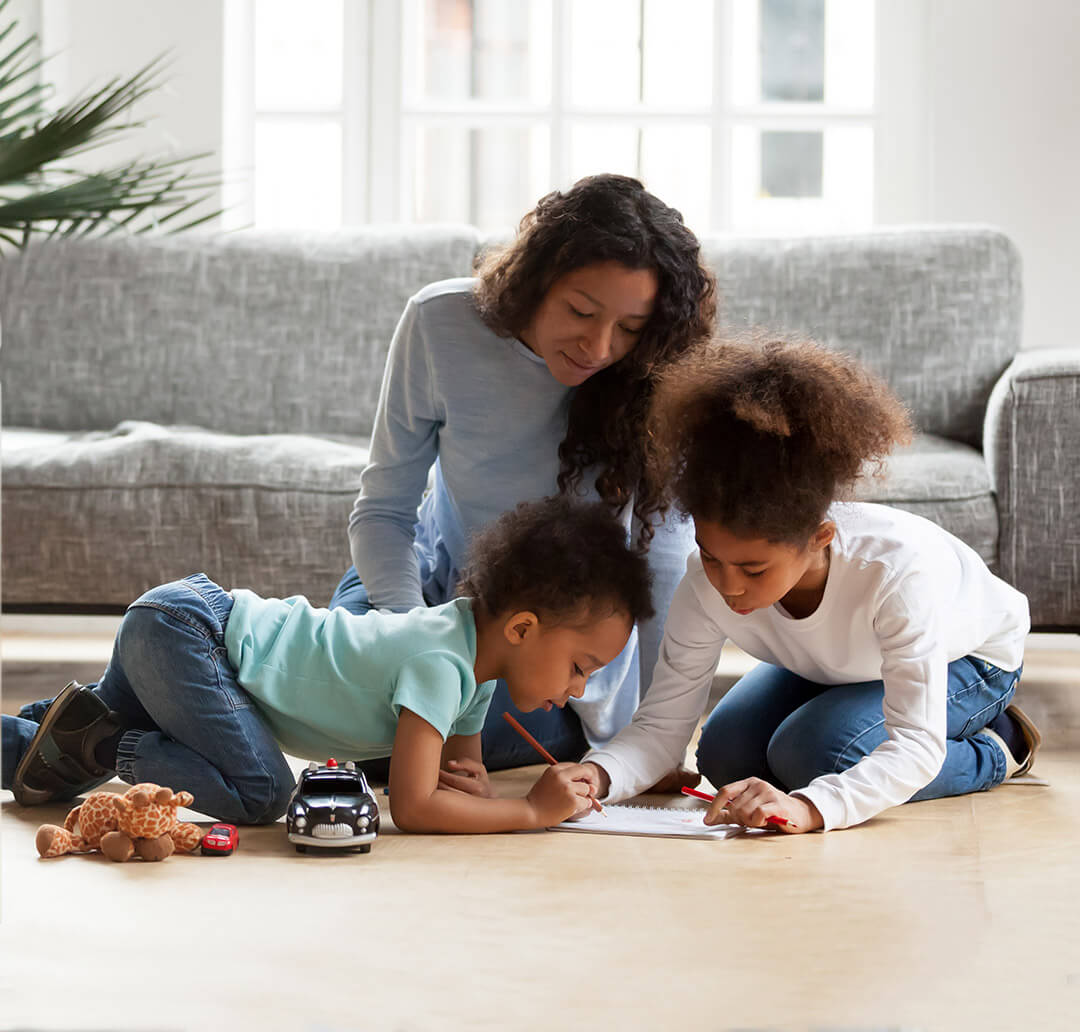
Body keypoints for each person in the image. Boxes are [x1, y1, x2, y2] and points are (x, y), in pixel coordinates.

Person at [330, 173, 715, 774]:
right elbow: (383, 511)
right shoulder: (440, 322)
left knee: (394, 749)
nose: (599, 345)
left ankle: (555, 724)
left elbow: (663, 557)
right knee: (328, 703)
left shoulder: (659, 371)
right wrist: (417, 641)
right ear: (537, 279)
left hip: (549, 638)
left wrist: (656, 736)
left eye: (630, 328)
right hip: (427, 595)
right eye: (581, 311)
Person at [576, 335, 1039, 833]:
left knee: (816, 757)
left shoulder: (894, 576)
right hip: (840, 667)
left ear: (819, 537)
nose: (728, 586)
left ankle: (998, 746)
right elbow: (662, 727)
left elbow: (914, 744)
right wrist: (595, 775)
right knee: (727, 758)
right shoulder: (705, 580)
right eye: (711, 556)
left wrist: (811, 806)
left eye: (754, 570)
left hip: (969, 660)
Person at [3, 497, 653, 834]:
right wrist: (530, 812)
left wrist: (479, 791)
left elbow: (458, 777)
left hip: (181, 633)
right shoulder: (442, 660)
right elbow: (417, 806)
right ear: (521, 628)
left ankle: (61, 737)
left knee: (47, 770)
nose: (578, 689)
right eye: (579, 665)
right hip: (190, 637)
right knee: (266, 795)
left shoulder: (474, 673)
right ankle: (105, 742)